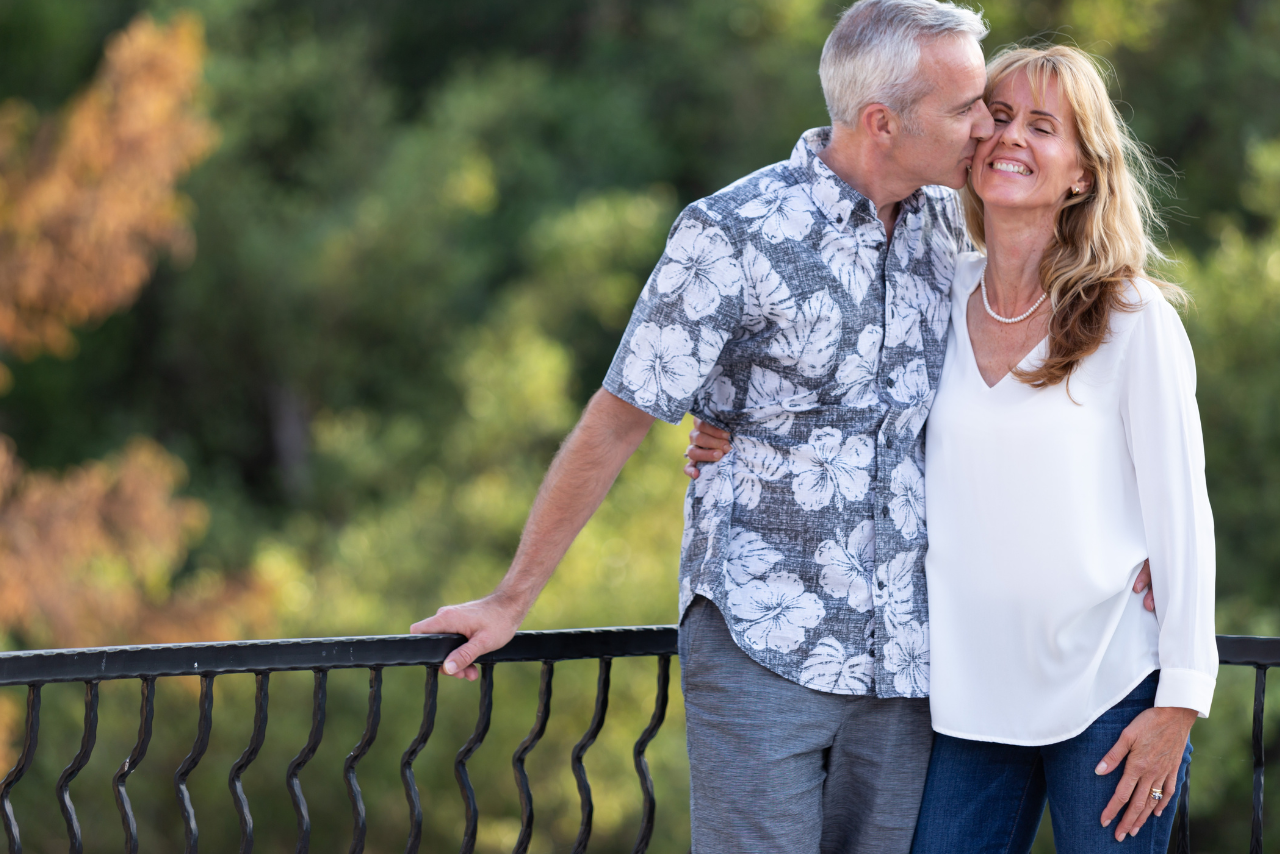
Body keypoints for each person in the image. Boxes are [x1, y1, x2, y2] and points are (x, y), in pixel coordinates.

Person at [412, 0, 997, 849]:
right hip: (765, 644)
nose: (985, 127)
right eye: (963, 108)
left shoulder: (953, 226)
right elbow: (616, 421)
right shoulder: (733, 235)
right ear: (882, 122)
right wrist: (511, 600)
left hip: (909, 660)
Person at [689, 44, 1216, 852]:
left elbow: (1184, 518)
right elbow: (839, 399)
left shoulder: (1132, 319)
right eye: (997, 116)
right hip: (966, 701)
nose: (1010, 138)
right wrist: (733, 426)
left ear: (1081, 172)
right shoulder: (935, 286)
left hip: (1111, 685)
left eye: (1043, 127)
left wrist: (1179, 702)